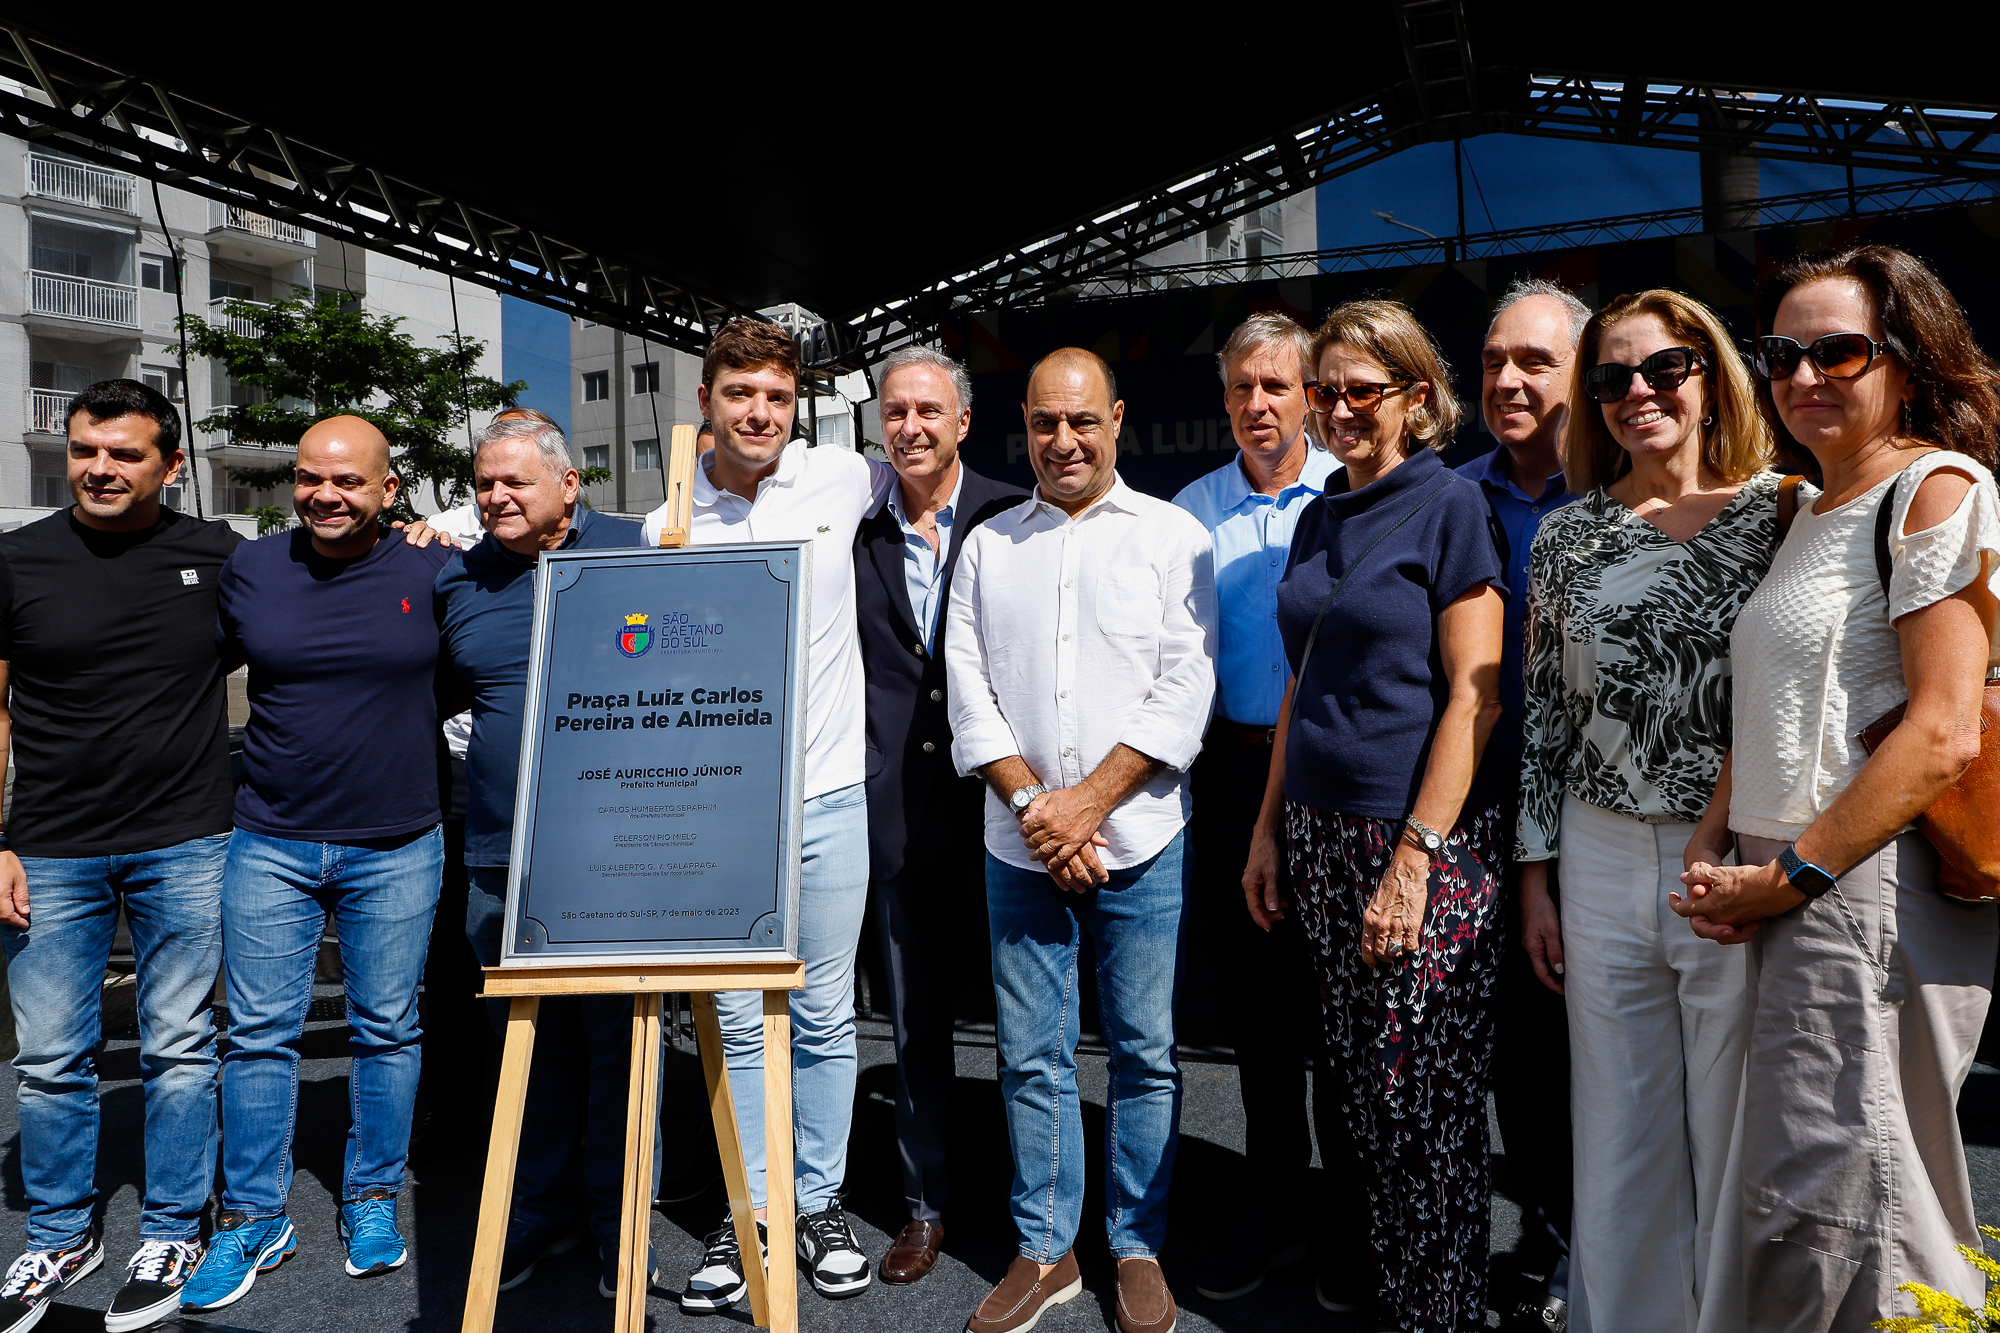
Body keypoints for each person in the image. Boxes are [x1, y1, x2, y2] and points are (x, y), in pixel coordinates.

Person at [1674, 244, 2000, 1331]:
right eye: (1780, 353)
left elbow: (1942, 731)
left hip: (1858, 890)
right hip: (1786, 877)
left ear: (1904, 364)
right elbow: (1768, 700)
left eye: (1837, 350)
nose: (1802, 374)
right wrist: (1719, 833)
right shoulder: (1807, 507)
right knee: (1825, 1198)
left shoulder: (1930, 489)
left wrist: (1792, 872)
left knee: (1848, 1206)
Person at [1516, 289, 1778, 1333]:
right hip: (1594, 845)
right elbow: (1541, 712)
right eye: (1611, 378)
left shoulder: (1780, 511)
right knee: (1617, 1125)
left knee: (1730, 1121)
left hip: (1730, 853)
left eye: (1661, 369)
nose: (1636, 393)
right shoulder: (1562, 533)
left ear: (1709, 375)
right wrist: (1534, 877)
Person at [1242, 299, 1506, 1333]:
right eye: (1325, 391)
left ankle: (1441, 1311)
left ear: (1415, 398)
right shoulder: (1317, 514)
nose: (1341, 410)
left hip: (1417, 845)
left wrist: (1412, 859)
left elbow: (1472, 697)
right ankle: (1407, 1301)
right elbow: (1298, 683)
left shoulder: (1450, 506)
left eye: (1363, 390)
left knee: (1422, 1106)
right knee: (1362, 1100)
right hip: (1315, 832)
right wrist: (1267, 829)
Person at [946, 347, 1216, 1333]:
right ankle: (1044, 1246)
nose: (1063, 441)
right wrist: (1037, 811)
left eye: (1082, 421)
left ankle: (1135, 1245)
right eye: (1045, 423)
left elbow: (1185, 686)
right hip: (1020, 847)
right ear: (1023, 423)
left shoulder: (1171, 535)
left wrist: (1086, 805)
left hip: (1139, 837)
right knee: (1030, 1053)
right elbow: (966, 688)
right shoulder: (988, 545)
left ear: (1116, 420)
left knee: (1144, 1052)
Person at [182, 415, 454, 1313]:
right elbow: (181, 674)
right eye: (309, 478)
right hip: (271, 839)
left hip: (400, 842)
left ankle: (371, 1195)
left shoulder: (431, 565)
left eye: (347, 481)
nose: (325, 495)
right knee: (255, 1035)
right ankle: (253, 1216)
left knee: (388, 1028)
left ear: (388, 488)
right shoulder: (252, 568)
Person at [647, 318, 893, 1312]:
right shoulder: (669, 512)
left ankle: (814, 1198)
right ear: (705, 398)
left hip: (832, 796)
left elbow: (931, 474)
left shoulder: (840, 479)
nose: (760, 413)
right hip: (719, 809)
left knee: (827, 1013)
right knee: (736, 1022)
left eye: (778, 398)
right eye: (741, 393)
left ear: (798, 406)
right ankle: (748, 1210)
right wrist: (435, 528)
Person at [0, 381, 240, 1333]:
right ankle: (62, 1232)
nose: (100, 468)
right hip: (50, 847)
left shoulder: (219, 557)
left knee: (181, 1046)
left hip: (187, 836)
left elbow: (327, 587)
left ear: (170, 465)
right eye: (86, 450)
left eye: (126, 453)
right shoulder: (15, 560)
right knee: (52, 1057)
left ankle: (176, 1223)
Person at [437, 417, 647, 1297]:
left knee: (616, 1046)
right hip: (497, 855)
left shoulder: (641, 553)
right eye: (486, 483)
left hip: (614, 852)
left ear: (569, 484)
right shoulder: (458, 575)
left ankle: (617, 1221)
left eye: (517, 482)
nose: (497, 498)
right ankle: (544, 1206)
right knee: (526, 1043)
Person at [1169, 311, 1348, 1306]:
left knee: (1339, 1026)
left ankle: (1348, 1233)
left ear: (1309, 396)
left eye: (1274, 387)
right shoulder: (1190, 510)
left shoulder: (1348, 494)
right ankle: (1272, 1225)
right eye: (1240, 388)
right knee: (1261, 1031)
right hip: (1233, 778)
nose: (1254, 405)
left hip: (1336, 779)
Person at [854, 346, 1024, 1285]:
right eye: (896, 411)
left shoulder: (1013, 513)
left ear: (964, 421)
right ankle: (925, 1205)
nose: (911, 426)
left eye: (930, 410)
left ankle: (1028, 1207)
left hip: (1000, 808)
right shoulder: (858, 527)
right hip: (900, 814)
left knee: (1023, 1019)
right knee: (915, 1023)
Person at [1458, 278, 1586, 1329]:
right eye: (1494, 358)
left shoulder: (1633, 499)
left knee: (1617, 1051)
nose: (1505, 378)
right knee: (1521, 1057)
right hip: (1480, 824)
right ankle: (1548, 1232)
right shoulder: (1451, 496)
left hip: (1609, 829)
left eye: (1532, 361)